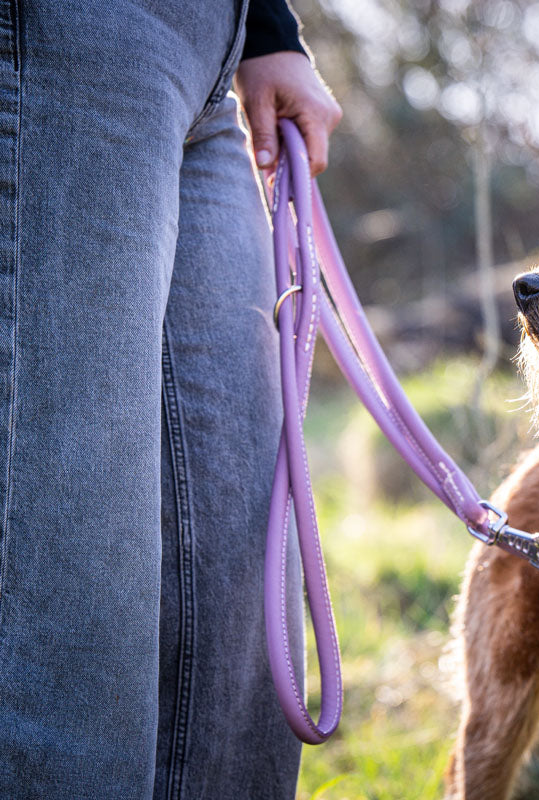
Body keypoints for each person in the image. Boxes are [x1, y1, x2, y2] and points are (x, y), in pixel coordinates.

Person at [0, 1, 341, 797]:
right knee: (79, 567)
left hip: (214, 59)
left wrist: (268, 33)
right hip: (74, 31)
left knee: (241, 574)